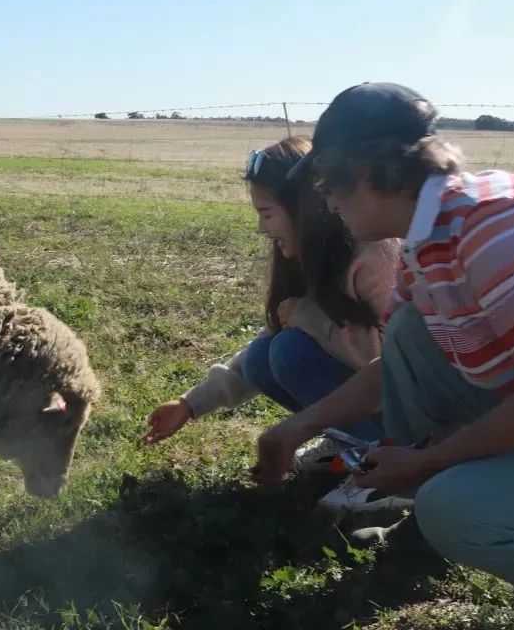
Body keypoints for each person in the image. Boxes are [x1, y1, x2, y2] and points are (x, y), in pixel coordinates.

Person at [253, 82, 514, 627]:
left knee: (453, 507)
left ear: (364, 173)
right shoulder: (433, 233)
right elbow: (396, 364)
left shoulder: (495, 226)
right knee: (411, 330)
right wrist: (299, 426)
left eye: (326, 180)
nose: (325, 198)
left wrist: (429, 462)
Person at [142, 136, 402, 509]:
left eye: (266, 213)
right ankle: (349, 444)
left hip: (415, 416)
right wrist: (189, 405)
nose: (263, 229)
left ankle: (388, 471)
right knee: (266, 354)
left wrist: (305, 317)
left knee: (288, 352)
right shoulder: (311, 256)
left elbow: (397, 361)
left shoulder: (374, 255)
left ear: (304, 208)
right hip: (371, 402)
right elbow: (272, 340)